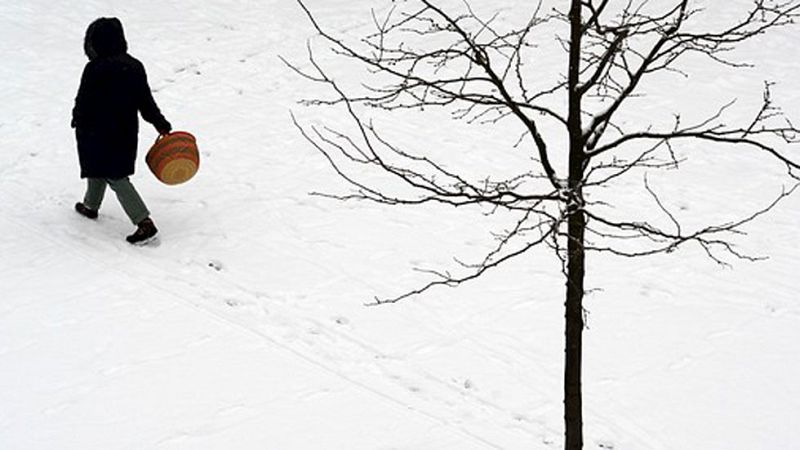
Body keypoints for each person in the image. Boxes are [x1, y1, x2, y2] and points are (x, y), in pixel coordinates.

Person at [72, 17, 171, 244]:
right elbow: (145, 102)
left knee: (115, 176)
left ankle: (144, 223)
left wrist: (77, 118)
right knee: (99, 169)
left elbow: (84, 100)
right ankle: (90, 205)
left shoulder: (94, 68)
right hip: (124, 131)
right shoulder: (134, 66)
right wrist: (159, 123)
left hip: (96, 131)